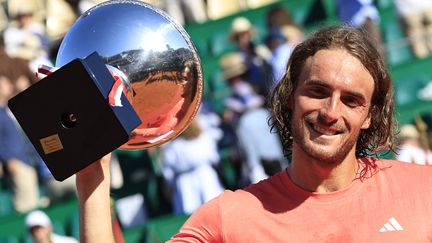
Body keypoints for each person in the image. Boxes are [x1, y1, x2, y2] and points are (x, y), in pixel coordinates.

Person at [76, 25, 432, 242]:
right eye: (318, 91)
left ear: (369, 116)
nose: (330, 112)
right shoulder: (230, 218)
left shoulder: (422, 190)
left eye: (351, 100)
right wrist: (93, 171)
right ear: (290, 97)